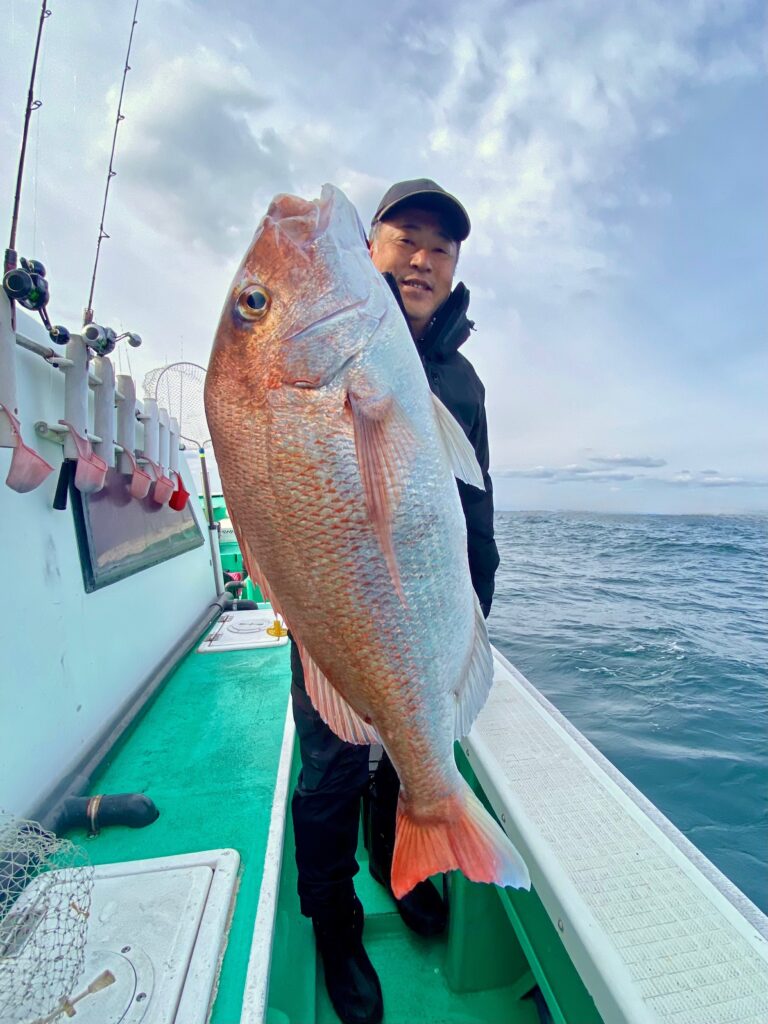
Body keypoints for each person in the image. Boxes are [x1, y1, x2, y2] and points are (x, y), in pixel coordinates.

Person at [289, 179, 500, 1024]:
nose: (422, 259)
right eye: (405, 238)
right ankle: (335, 925)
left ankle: (398, 866)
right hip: (339, 605)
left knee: (410, 749)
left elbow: (476, 505)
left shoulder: (463, 381)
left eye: (440, 248)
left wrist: (478, 616)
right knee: (332, 770)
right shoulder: (330, 340)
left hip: (428, 614)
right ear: (369, 246)